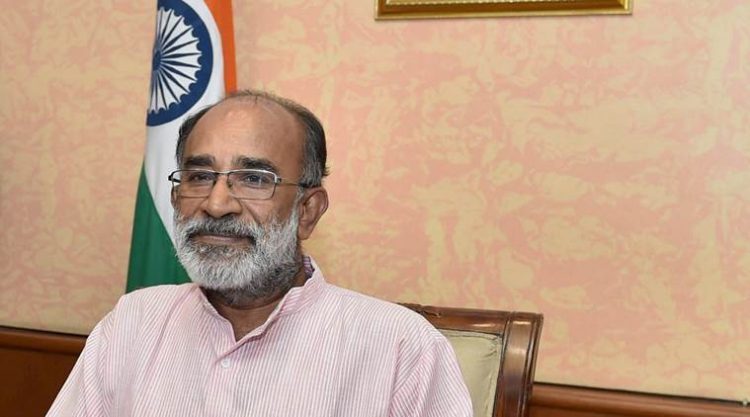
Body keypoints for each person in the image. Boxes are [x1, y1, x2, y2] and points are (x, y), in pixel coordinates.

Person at [48, 90, 473, 416]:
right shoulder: (131, 325)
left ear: (308, 211)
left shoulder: (401, 348)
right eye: (199, 175)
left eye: (253, 178)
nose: (217, 204)